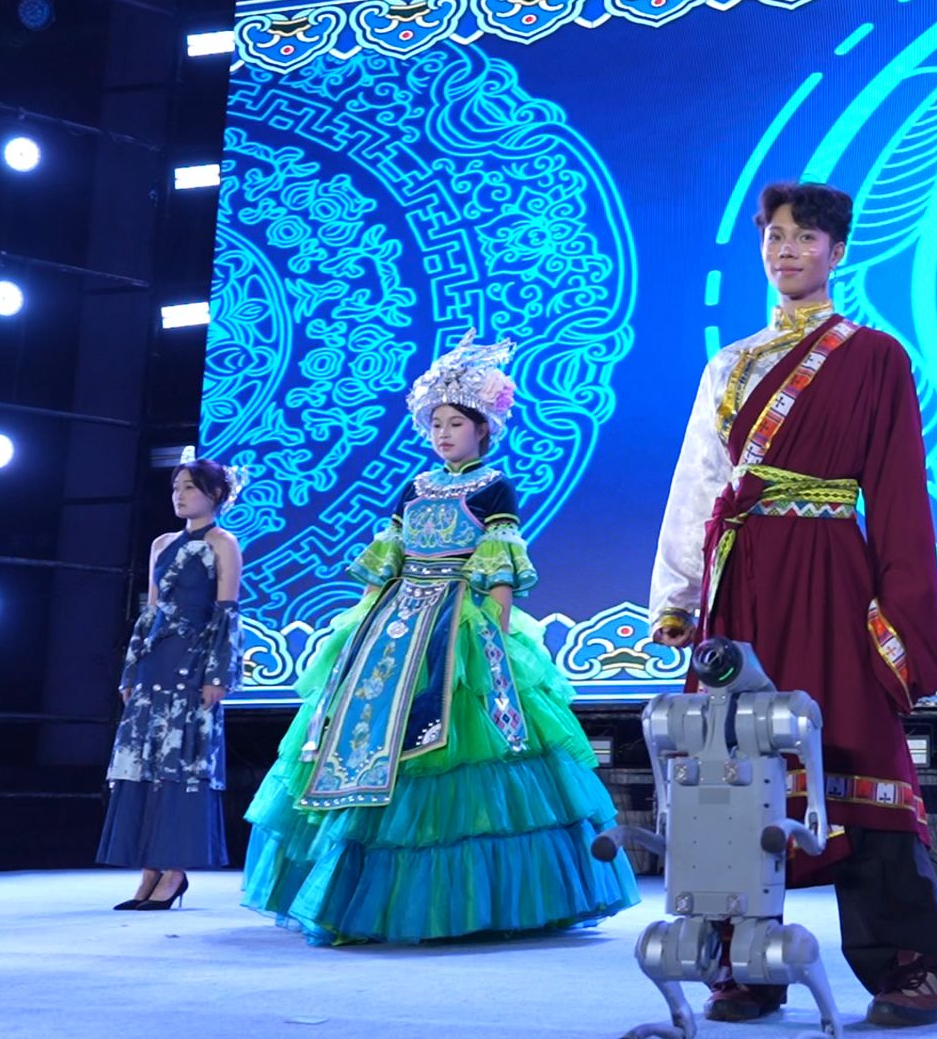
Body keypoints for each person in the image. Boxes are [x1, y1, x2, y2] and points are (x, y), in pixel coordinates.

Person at [650, 181, 937, 1027]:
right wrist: (680, 597)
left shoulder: (875, 356)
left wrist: (900, 611)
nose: (787, 250)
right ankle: (743, 967)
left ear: (838, 252)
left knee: (854, 754)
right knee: (730, 764)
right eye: (775, 237)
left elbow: (897, 490)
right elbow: (700, 482)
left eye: (806, 238)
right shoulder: (730, 363)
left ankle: (910, 969)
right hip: (741, 577)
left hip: (830, 575)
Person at [240, 332, 639, 944]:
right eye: (436, 424)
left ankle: (474, 898)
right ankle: (360, 889)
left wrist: (495, 636)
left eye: (456, 423)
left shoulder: (494, 486)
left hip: (458, 620)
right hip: (398, 621)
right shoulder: (415, 487)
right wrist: (364, 623)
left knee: (467, 745)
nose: (444, 434)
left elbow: (499, 567)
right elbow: (389, 561)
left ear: (483, 429)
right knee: (368, 734)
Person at [97, 453, 246, 910]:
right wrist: (131, 670)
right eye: (176, 488)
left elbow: (226, 612)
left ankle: (174, 871)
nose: (179, 496)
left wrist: (218, 674)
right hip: (154, 663)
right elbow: (151, 612)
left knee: (182, 762)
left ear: (215, 494)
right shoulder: (162, 543)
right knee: (143, 763)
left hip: (193, 662)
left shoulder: (223, 542)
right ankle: (148, 869)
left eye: (190, 488)